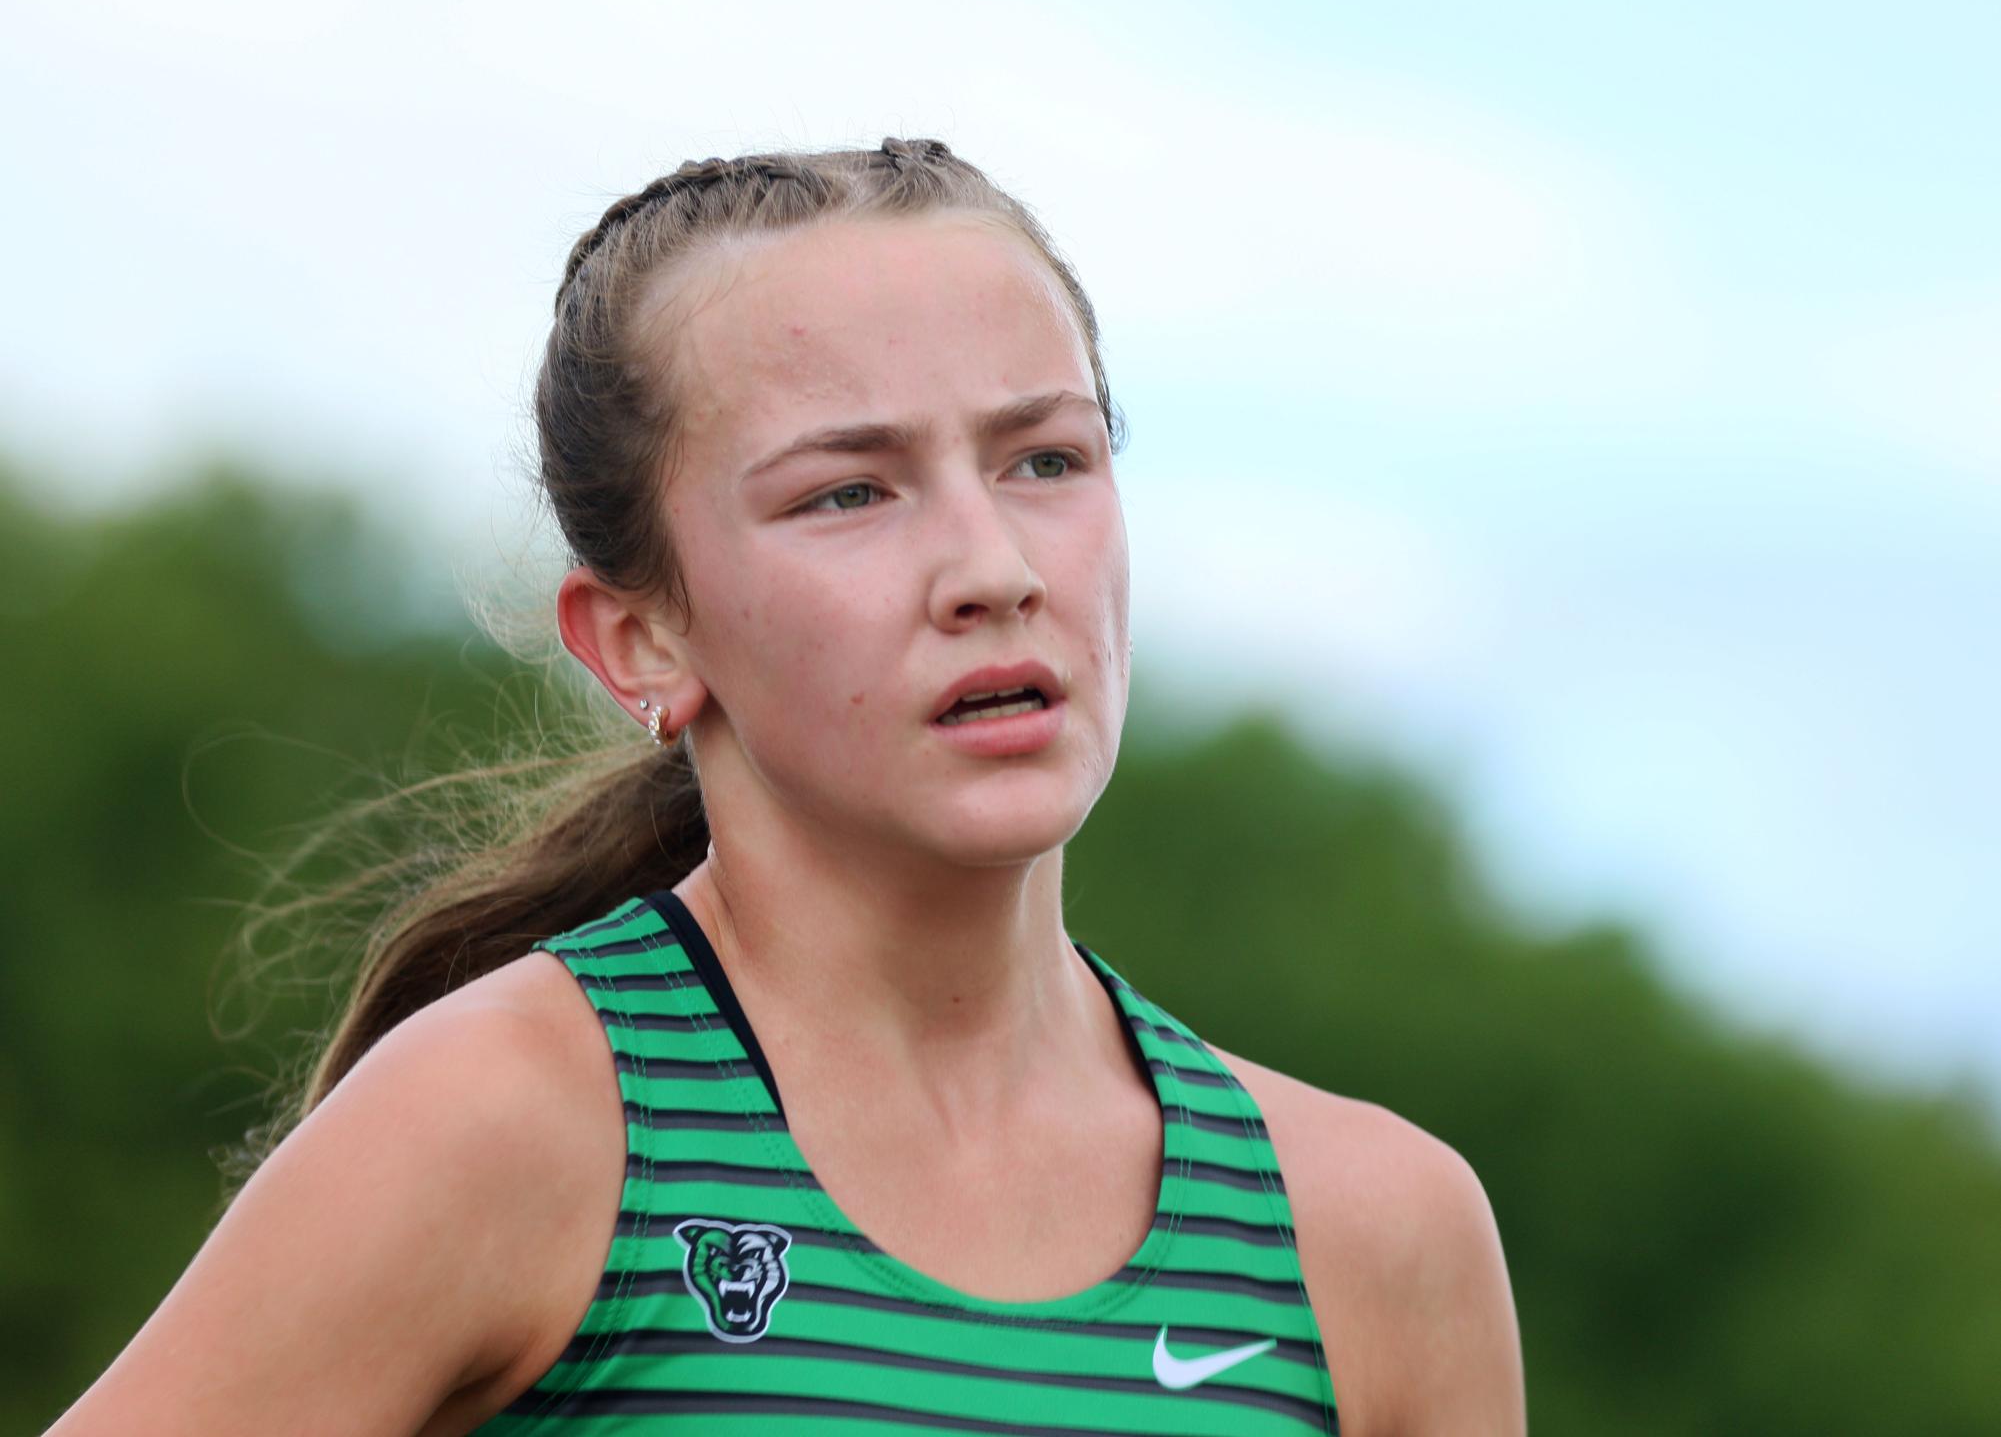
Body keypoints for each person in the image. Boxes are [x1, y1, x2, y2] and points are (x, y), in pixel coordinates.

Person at [47, 138, 1524, 1435]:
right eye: (847, 492)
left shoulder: (1368, 1236)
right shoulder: (506, 1127)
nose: (993, 572)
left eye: (1046, 460)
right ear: (642, 636)